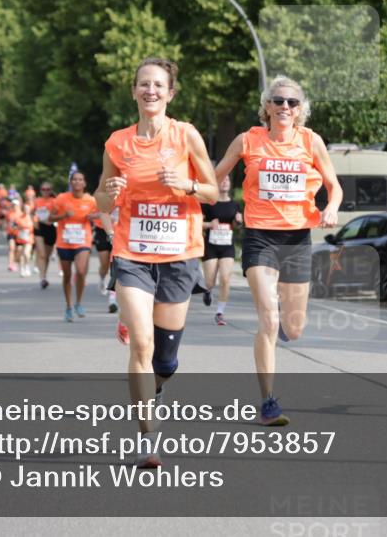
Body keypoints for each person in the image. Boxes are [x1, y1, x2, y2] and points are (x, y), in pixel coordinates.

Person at [95, 57, 217, 467]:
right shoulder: (118, 142)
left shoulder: (186, 136)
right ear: (134, 91)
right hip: (132, 253)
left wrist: (188, 185)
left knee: (165, 359)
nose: (150, 91)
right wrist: (109, 192)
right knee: (142, 344)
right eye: (143, 84)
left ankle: (158, 385)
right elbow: (101, 199)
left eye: (158, 85)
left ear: (170, 93)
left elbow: (215, 192)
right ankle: (148, 438)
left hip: (179, 256)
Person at [214, 75, 342, 426]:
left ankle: (285, 324)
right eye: (279, 101)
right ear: (267, 106)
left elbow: (335, 186)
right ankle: (268, 401)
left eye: (293, 102)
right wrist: (188, 188)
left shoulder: (311, 141)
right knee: (268, 319)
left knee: (294, 328)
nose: (285, 107)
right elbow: (216, 176)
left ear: (301, 110)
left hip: (297, 238)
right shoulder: (247, 140)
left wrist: (330, 208)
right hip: (260, 238)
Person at [50, 171, 99, 322]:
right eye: (75, 180)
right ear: (71, 183)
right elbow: (49, 217)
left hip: (82, 241)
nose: (77, 182)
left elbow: (101, 214)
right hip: (64, 242)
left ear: (84, 183)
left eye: (80, 180)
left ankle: (78, 302)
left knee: (81, 271)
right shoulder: (61, 198)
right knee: (67, 276)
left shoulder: (91, 200)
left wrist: (92, 217)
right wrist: (63, 216)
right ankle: (69, 306)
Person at [200, 174, 242, 325]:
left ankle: (220, 312)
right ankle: (208, 291)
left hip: (227, 247)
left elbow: (236, 227)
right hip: (211, 246)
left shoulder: (235, 205)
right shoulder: (208, 203)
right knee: (210, 281)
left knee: (225, 278)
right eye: (221, 180)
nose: (225, 182)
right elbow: (196, 223)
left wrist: (238, 222)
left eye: (227, 180)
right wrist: (210, 224)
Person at [32, 182, 57, 289]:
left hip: (51, 228)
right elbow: (31, 213)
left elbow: (58, 214)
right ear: (40, 190)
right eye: (43, 189)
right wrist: (34, 221)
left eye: (48, 189)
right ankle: (42, 278)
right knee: (41, 254)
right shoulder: (37, 201)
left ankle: (44, 274)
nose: (45, 191)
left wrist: (52, 219)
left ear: (51, 190)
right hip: (39, 227)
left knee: (47, 256)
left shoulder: (54, 201)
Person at [13, 201, 35, 277]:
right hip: (20, 238)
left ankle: (27, 266)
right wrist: (18, 229)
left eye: (27, 209)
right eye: (25, 209)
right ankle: (22, 269)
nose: (26, 210)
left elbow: (37, 227)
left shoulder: (32, 218)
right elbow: (14, 226)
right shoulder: (19, 218)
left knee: (26, 253)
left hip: (29, 238)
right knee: (20, 253)